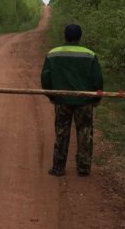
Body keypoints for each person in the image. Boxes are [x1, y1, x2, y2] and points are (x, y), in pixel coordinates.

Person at [41, 24, 103, 177]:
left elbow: (45, 77)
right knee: (85, 134)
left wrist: (52, 96)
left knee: (61, 133)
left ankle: (58, 168)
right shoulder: (90, 55)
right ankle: (83, 168)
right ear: (80, 37)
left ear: (65, 36)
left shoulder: (53, 54)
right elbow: (98, 79)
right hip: (85, 102)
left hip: (62, 100)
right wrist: (96, 97)